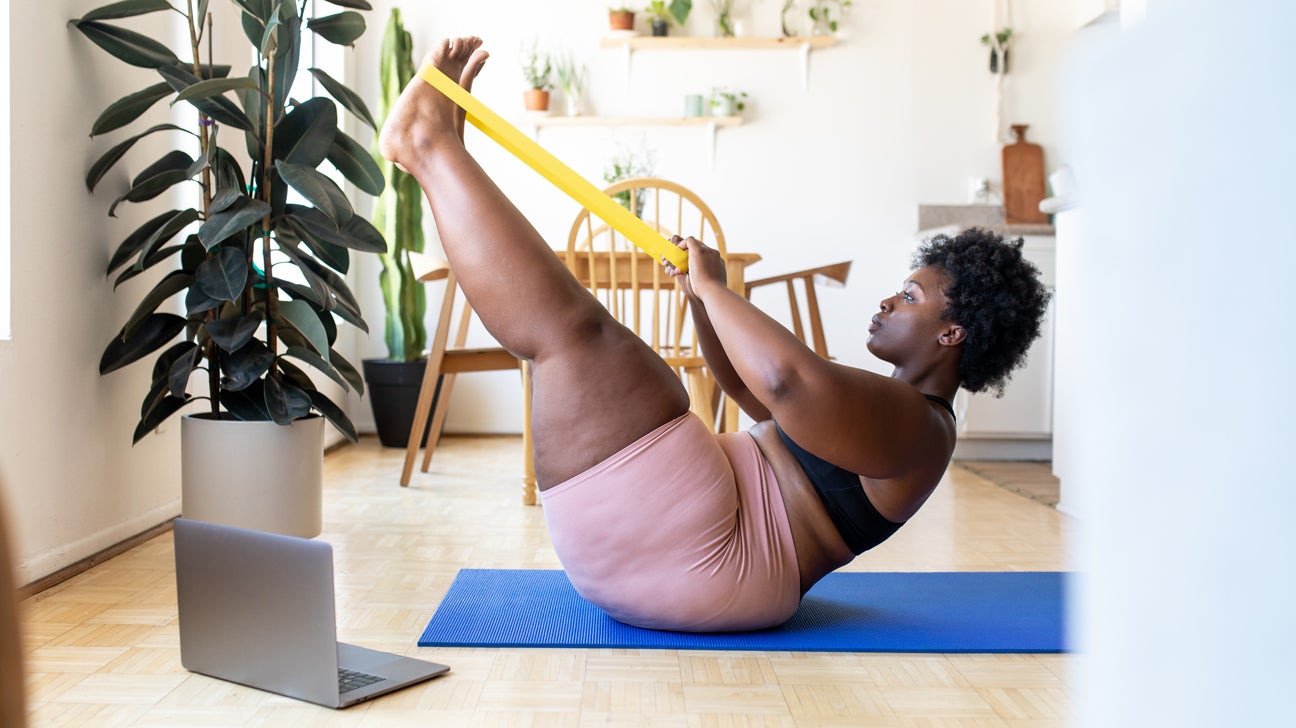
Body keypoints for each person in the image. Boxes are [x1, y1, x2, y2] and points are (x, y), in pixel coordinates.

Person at [379, 37, 1051, 633]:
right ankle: (439, 151)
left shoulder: (920, 430)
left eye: (909, 297)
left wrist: (717, 290)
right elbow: (749, 388)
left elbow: (788, 381)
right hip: (686, 554)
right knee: (584, 343)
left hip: (707, 560)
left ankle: (428, 148)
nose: (888, 300)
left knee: (579, 336)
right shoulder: (896, 413)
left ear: (952, 333)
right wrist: (701, 302)